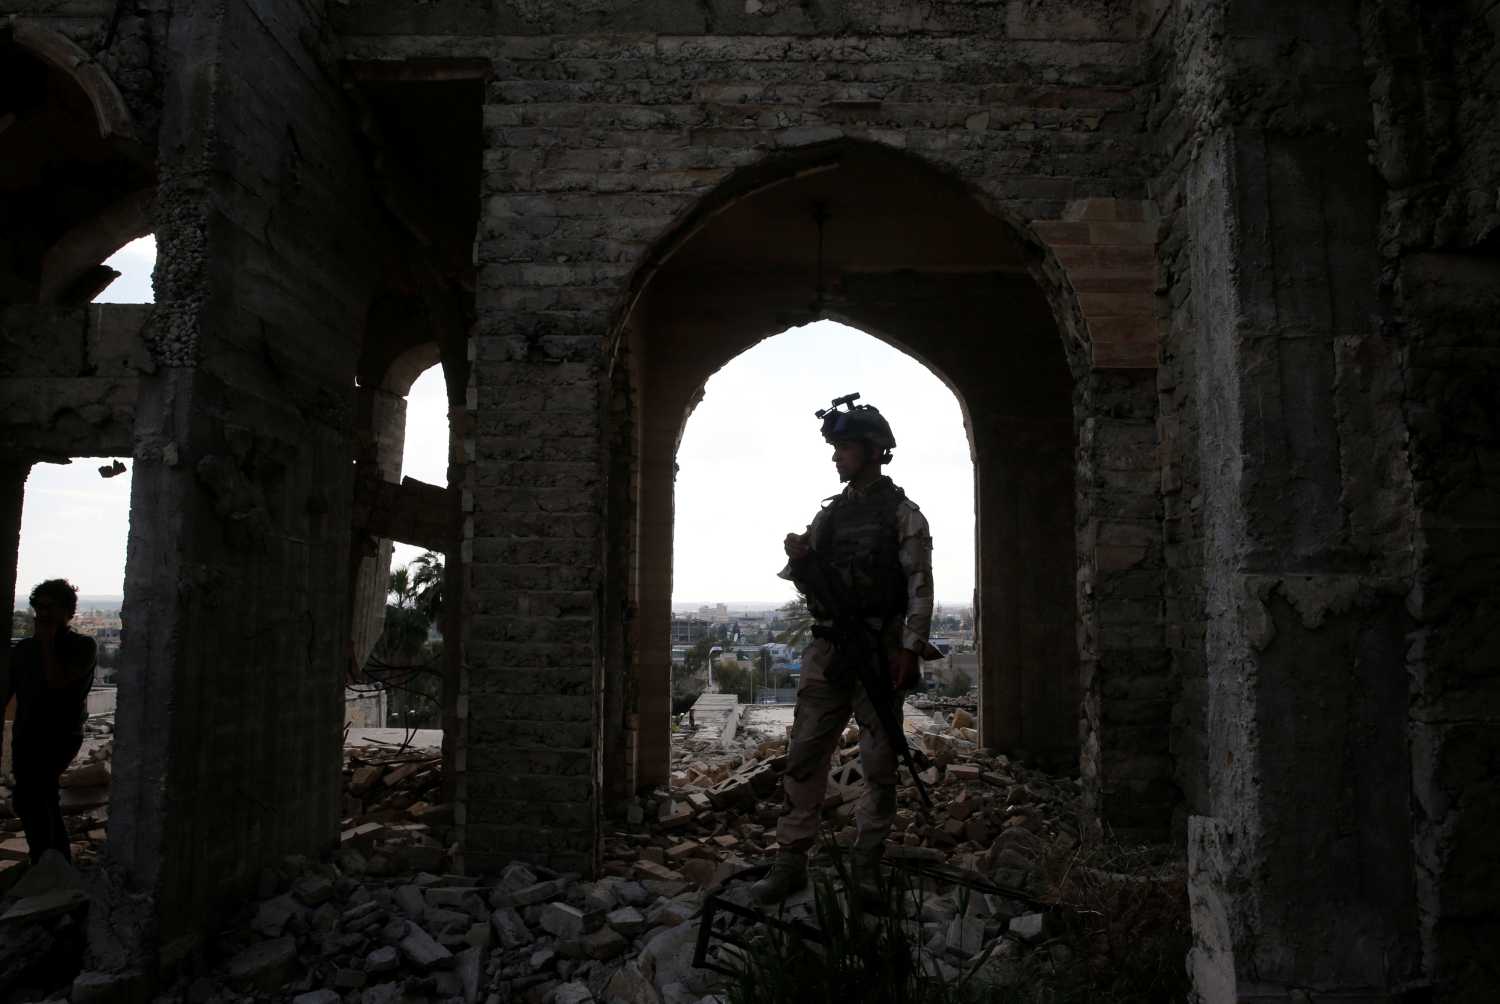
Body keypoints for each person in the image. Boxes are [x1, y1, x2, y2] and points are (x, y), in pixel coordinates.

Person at [752, 395, 935, 904]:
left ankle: (866, 866)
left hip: (878, 651)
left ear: (873, 450)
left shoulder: (903, 515)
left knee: (879, 763)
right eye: (834, 448)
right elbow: (802, 579)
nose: (836, 457)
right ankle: (790, 861)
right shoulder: (829, 515)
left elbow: (920, 583)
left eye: (845, 447)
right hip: (829, 648)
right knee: (806, 754)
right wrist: (803, 558)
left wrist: (909, 649)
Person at [5, 579, 96, 864]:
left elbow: (57, 682)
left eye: (49, 608)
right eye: (38, 607)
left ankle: (53, 863)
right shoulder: (22, 651)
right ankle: (46, 861)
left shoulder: (82, 647)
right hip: (26, 734)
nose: (41, 614)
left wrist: (46, 644)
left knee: (41, 795)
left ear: (67, 612)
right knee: (30, 799)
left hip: (59, 735)